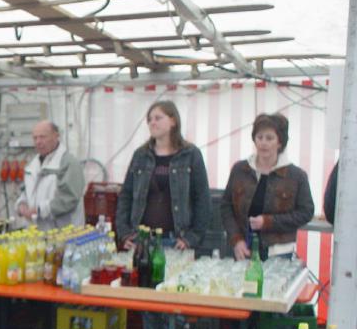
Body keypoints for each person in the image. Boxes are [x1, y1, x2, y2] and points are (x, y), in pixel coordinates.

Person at [116, 100, 211, 251]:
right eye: (149, 120)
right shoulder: (140, 155)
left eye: (158, 118)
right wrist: (125, 233)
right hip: (140, 240)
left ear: (173, 121)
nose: (152, 123)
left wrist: (191, 238)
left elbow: (203, 199)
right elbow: (125, 196)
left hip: (177, 241)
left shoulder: (190, 155)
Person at [221, 113, 314, 260]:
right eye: (260, 137)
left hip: (278, 252)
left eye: (269, 138)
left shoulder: (296, 176)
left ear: (280, 142)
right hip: (243, 249)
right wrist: (236, 239)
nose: (263, 143)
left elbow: (306, 212)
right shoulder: (240, 170)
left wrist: (268, 222)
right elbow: (226, 206)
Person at [16, 121, 86, 230]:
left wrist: (39, 210)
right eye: (35, 138)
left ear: (56, 136)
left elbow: (69, 199)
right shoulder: (32, 165)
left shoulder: (69, 164)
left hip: (64, 233)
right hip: (36, 232)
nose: (38, 142)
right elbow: (26, 192)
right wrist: (21, 204)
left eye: (42, 137)